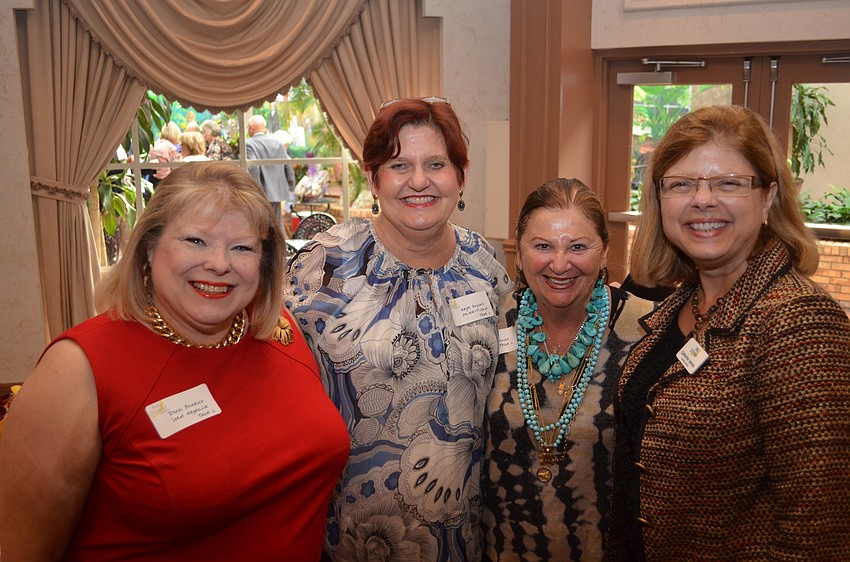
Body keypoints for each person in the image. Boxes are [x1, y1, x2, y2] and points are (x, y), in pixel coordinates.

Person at [0, 162, 349, 560]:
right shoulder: (77, 368)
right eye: (195, 240)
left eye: (242, 247)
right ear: (149, 248)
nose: (219, 263)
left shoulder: (279, 330)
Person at [605, 105, 850, 561]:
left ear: (768, 197)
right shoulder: (680, 305)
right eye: (681, 184)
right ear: (660, 200)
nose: (703, 200)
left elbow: (818, 533)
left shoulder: (798, 321)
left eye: (728, 183)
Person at [284, 97, 512, 562]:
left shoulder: (484, 264)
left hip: (465, 538)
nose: (419, 181)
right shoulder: (323, 264)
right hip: (351, 536)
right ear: (373, 178)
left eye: (436, 164)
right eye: (399, 165)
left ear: (461, 176)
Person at [482, 178, 654, 561]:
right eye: (543, 246)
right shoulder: (492, 321)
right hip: (504, 549)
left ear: (604, 252)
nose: (559, 264)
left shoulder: (647, 329)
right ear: (519, 253)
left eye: (577, 247)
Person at [245, 114, 294, 229]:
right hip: (278, 191)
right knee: (277, 224)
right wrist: (291, 186)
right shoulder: (277, 142)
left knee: (262, 225)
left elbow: (253, 167)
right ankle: (280, 241)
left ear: (251, 128)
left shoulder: (249, 143)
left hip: (261, 191)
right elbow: (288, 164)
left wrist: (256, 190)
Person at [146, 121, 182, 186]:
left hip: (151, 178)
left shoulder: (154, 145)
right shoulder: (171, 148)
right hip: (166, 180)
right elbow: (176, 167)